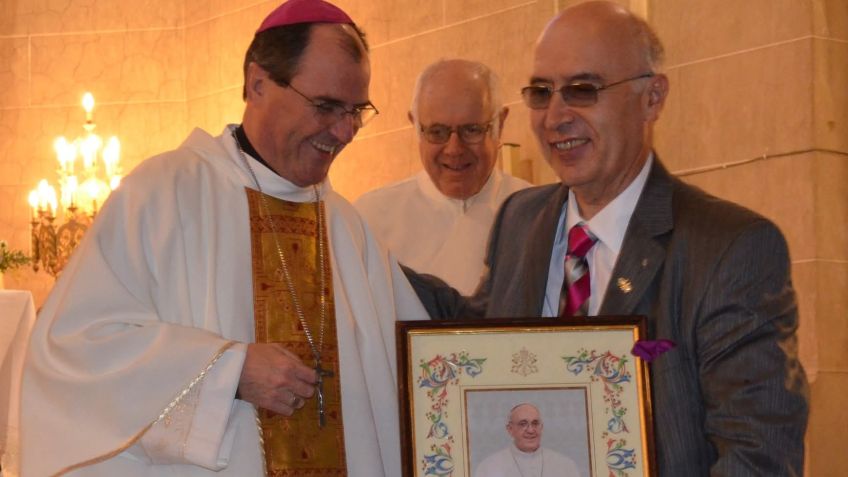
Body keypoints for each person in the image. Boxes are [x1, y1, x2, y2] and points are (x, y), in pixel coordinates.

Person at [15, 0, 428, 475]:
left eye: (357, 111)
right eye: (326, 106)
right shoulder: (163, 195)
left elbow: (421, 373)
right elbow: (75, 352)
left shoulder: (349, 230)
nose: (345, 131)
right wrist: (227, 371)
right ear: (257, 83)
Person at [407, 1, 809, 475]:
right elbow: (480, 332)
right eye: (541, 92)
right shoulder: (521, 219)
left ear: (652, 98)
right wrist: (356, 257)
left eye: (582, 90)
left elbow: (758, 454)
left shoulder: (729, 249)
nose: (555, 117)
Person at [355, 59, 530, 295]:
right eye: (437, 132)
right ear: (415, 125)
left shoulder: (537, 214)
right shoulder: (370, 218)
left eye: (472, 130)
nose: (454, 149)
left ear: (500, 122)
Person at [473, 403, 580, 477]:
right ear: (510, 429)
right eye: (523, 424)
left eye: (535, 423)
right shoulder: (488, 467)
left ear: (541, 427)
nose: (530, 430)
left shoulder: (566, 466)